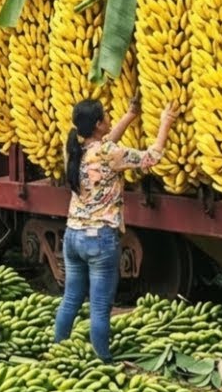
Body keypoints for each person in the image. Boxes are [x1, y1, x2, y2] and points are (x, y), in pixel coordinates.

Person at [53, 97, 178, 362]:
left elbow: (106, 142)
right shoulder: (109, 154)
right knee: (100, 306)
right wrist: (165, 123)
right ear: (98, 124)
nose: (109, 118)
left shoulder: (74, 149)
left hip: (73, 235)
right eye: (106, 116)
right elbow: (150, 158)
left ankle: (57, 349)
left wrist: (131, 114)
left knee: (71, 298)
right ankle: (103, 359)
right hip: (99, 238)